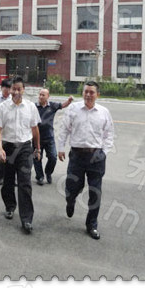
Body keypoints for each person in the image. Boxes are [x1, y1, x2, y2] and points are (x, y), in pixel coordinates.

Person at [58, 81, 115, 240]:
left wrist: (104, 152)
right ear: (82, 93)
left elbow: (109, 134)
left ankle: (92, 225)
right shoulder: (73, 109)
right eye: (86, 92)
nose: (88, 95)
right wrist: (61, 147)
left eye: (92, 92)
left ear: (97, 95)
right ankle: (71, 201)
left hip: (96, 157)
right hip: (77, 155)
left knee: (95, 192)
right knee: (72, 187)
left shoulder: (103, 112)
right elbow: (64, 129)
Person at [0, 76, 41, 234]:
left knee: (25, 183)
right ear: (10, 90)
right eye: (14, 89)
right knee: (8, 181)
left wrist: (37, 148)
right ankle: (10, 206)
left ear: (23, 90)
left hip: (25, 148)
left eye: (19, 89)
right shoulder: (2, 107)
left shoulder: (30, 107)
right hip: (8, 147)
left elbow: (35, 129)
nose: (16, 92)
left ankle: (26, 219)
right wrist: (0, 148)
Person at [34, 89, 73, 186]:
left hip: (49, 137)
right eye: (40, 94)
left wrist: (69, 101)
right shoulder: (34, 107)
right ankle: (40, 177)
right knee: (37, 158)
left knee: (53, 157)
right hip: (37, 138)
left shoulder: (52, 106)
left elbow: (62, 106)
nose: (41, 96)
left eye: (43, 95)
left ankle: (48, 172)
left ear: (48, 96)